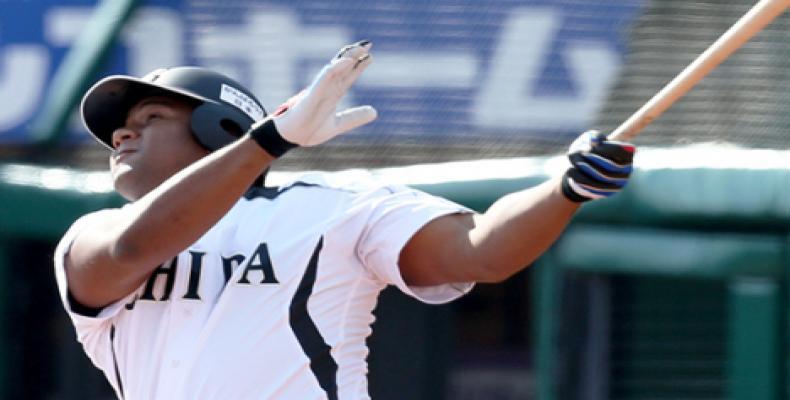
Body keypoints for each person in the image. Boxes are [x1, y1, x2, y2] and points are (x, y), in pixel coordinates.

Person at [54, 41, 634, 399]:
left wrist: (566, 188)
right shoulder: (93, 233)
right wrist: (272, 139)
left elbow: (481, 249)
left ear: (221, 130)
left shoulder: (330, 206)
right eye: (118, 128)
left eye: (151, 116)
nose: (122, 134)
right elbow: (131, 251)